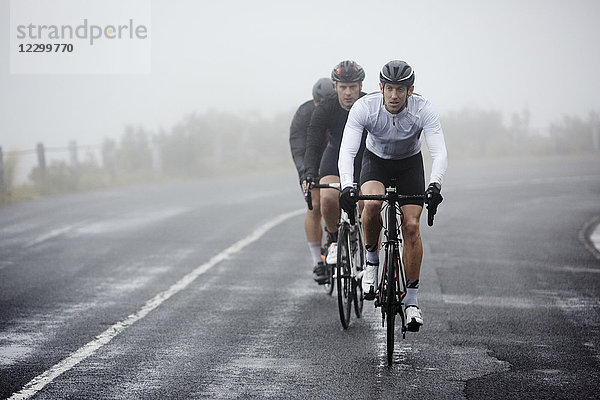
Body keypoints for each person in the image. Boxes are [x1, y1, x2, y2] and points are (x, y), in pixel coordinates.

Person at [338, 60, 448, 331]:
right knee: (372, 204)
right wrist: (347, 185)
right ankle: (372, 263)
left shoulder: (424, 110)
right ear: (381, 88)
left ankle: (411, 302)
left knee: (411, 226)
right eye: (389, 89)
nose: (395, 95)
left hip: (410, 165)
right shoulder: (365, 108)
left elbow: (439, 152)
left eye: (401, 89)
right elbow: (348, 150)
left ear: (411, 90)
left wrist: (435, 185)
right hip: (375, 162)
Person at [302, 60, 368, 284]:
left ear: (360, 86)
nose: (348, 93)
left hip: (362, 159)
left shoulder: (370, 103)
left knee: (362, 204)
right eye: (343, 87)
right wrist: (308, 174)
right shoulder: (326, 108)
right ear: (335, 87)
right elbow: (312, 144)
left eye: (353, 87)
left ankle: (360, 242)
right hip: (334, 157)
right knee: (328, 198)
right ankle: (332, 239)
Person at [289, 77, 336, 280]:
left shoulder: (341, 109)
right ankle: (318, 260)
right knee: (314, 206)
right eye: (319, 104)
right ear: (314, 101)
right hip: (312, 162)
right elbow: (299, 148)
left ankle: (338, 240)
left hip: (335, 160)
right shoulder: (304, 113)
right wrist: (304, 174)